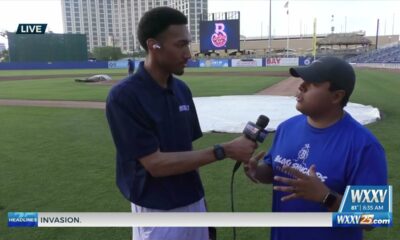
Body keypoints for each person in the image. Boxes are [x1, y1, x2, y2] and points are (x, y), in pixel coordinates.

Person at [106, 7, 256, 240]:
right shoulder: (124, 96)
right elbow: (156, 165)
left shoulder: (182, 90)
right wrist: (224, 150)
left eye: (188, 44)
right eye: (180, 45)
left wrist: (199, 203)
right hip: (157, 211)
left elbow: (186, 152)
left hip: (193, 201)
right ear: (153, 45)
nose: (188, 53)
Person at [244, 56, 387, 240]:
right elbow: (273, 171)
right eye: (303, 81)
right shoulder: (286, 128)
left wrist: (326, 197)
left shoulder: (365, 146)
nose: (301, 86)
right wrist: (257, 171)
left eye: (312, 83)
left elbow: (372, 219)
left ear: (336, 96)